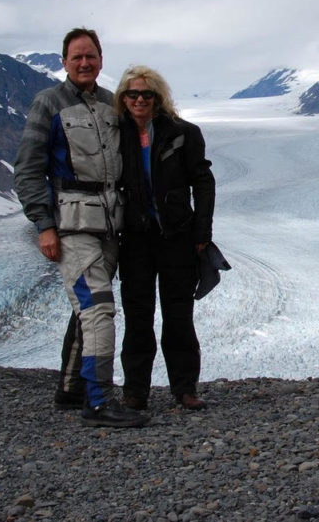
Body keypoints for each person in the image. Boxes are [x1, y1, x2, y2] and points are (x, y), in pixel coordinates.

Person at [13, 28, 148, 428]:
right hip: (72, 222)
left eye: (91, 56)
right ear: (65, 63)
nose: (85, 63)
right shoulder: (48, 104)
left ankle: (72, 387)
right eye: (77, 58)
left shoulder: (112, 104)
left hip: (111, 222)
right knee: (99, 307)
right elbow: (27, 168)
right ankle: (99, 400)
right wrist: (44, 225)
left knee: (87, 307)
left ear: (101, 59)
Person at [114, 65, 216, 410]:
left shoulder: (183, 132)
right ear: (123, 98)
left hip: (177, 236)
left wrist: (202, 231)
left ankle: (185, 389)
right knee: (138, 314)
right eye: (133, 94)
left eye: (147, 94)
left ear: (159, 97)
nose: (139, 99)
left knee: (178, 314)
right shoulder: (116, 133)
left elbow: (202, 180)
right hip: (135, 239)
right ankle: (135, 391)